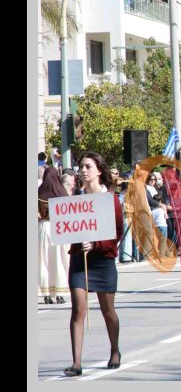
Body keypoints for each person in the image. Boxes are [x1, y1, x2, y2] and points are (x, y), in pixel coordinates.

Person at [64, 152, 124, 377]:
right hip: (80, 260)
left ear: (99, 170)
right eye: (81, 166)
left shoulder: (109, 199)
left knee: (108, 311)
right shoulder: (76, 198)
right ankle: (76, 362)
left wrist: (96, 244)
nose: (83, 170)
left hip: (103, 260)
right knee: (78, 309)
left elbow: (117, 231)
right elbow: (68, 226)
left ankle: (115, 350)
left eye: (88, 166)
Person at [38, 167, 70, 305]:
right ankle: (59, 293)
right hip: (59, 228)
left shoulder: (39, 193)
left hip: (43, 228)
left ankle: (46, 294)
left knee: (44, 261)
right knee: (60, 260)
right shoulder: (61, 193)